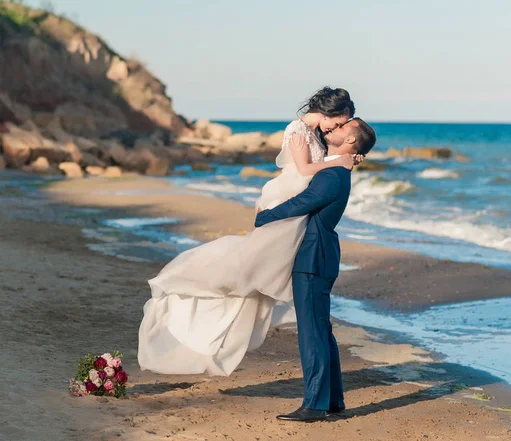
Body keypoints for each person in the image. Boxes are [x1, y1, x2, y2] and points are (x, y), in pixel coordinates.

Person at [138, 87, 357, 376]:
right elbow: (304, 170)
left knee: (263, 277)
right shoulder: (298, 129)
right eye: (339, 122)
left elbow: (323, 166)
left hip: (299, 206)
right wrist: (338, 161)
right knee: (250, 269)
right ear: (328, 112)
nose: (337, 128)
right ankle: (193, 298)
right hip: (286, 196)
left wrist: (347, 155)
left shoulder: (317, 134)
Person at [255, 118, 377, 422]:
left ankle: (314, 405)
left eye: (342, 128)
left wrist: (265, 216)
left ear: (351, 141)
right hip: (320, 253)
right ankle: (333, 399)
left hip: (314, 256)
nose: (334, 130)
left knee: (311, 332)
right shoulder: (337, 166)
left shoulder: (334, 174)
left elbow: (303, 202)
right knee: (321, 328)